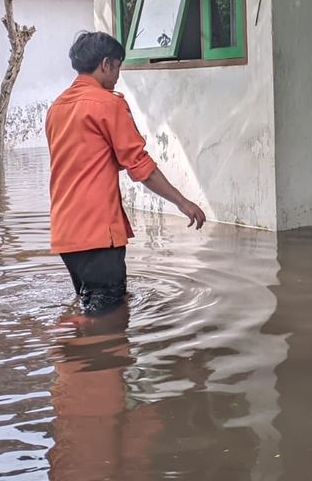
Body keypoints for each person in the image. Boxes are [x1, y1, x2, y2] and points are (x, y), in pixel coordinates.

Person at [46, 31, 206, 315]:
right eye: (118, 66)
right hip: (97, 232)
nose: (118, 75)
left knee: (89, 305)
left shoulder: (56, 108)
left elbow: (88, 160)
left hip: (65, 233)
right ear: (105, 64)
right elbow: (139, 166)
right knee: (107, 315)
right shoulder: (108, 104)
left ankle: (71, 348)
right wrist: (183, 202)